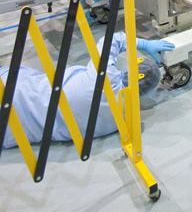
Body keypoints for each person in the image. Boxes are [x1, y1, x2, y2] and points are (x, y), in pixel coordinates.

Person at [0, 33, 175, 149]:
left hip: (13, 92)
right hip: (10, 132)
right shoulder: (122, 121)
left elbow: (111, 40)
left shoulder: (104, 78)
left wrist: (143, 43)